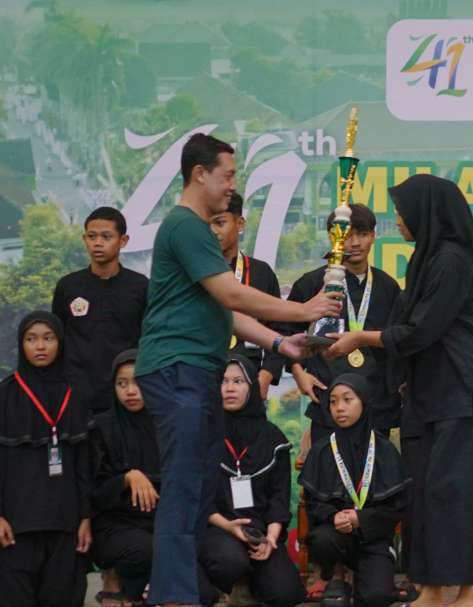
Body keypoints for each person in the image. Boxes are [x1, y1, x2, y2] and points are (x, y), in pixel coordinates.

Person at [135, 133, 340, 607]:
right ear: (199, 174)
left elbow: (222, 312)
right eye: (227, 175)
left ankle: (176, 592)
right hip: (177, 369)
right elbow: (231, 294)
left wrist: (279, 341)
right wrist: (303, 310)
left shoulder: (195, 230)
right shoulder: (186, 226)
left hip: (197, 371)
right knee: (185, 489)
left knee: (197, 488)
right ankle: (173, 597)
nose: (233, 185)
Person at [324, 174, 473, 607]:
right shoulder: (424, 260)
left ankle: (468, 591)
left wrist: (360, 337)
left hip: (467, 394)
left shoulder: (451, 260)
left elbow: (420, 330)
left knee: (454, 492)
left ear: (427, 214)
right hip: (429, 395)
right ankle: (428, 588)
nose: (399, 221)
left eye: (404, 212)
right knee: (424, 492)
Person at [281, 203, 401, 439]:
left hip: (377, 406)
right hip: (327, 401)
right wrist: (298, 372)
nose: (354, 243)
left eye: (362, 234)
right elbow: (284, 334)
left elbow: (398, 341)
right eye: (346, 236)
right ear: (332, 237)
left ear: (373, 236)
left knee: (374, 474)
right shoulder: (312, 283)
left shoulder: (389, 287)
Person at [0, 311, 94, 606]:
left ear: (60, 343)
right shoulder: (5, 396)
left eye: (48, 338)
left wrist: (86, 517)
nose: (40, 346)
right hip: (15, 526)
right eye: (31, 339)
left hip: (65, 524)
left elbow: (84, 463)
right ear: (21, 345)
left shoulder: (75, 394)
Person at [198, 356, 305, 607]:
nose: (230, 388)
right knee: (229, 560)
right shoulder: (203, 432)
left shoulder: (272, 437)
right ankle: (225, 582)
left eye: (238, 381)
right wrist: (227, 526)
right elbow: (199, 498)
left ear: (252, 388)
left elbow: (279, 497)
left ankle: (249, 581)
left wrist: (270, 537)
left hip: (259, 530)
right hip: (217, 527)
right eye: (223, 381)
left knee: (285, 593)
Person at [299, 374, 410, 607]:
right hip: (336, 535)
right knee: (321, 539)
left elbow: (397, 508)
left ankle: (365, 578)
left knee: (376, 597)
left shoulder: (384, 451)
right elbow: (312, 501)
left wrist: (361, 518)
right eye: (333, 401)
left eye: (347, 400)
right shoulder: (322, 450)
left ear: (364, 402)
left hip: (374, 538)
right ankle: (337, 577)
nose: (339, 408)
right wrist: (333, 515)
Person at [52, 206, 148, 414]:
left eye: (106, 237)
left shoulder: (140, 286)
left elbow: (149, 339)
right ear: (84, 238)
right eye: (91, 236)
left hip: (126, 394)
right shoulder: (68, 286)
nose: (97, 243)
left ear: (123, 241)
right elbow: (57, 338)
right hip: (77, 395)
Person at [90, 349, 160, 607]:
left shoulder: (163, 425)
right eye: (122, 383)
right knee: (145, 548)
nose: (130, 391)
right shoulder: (101, 427)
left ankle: (133, 589)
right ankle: (121, 587)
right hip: (114, 525)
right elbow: (93, 492)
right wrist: (126, 479)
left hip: (156, 520)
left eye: (138, 382)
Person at [210, 192, 285, 399]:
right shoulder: (194, 275)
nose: (212, 231)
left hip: (251, 377)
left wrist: (266, 376)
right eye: (205, 225)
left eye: (220, 223)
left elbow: (278, 328)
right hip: (205, 377)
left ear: (240, 223)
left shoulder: (261, 273)